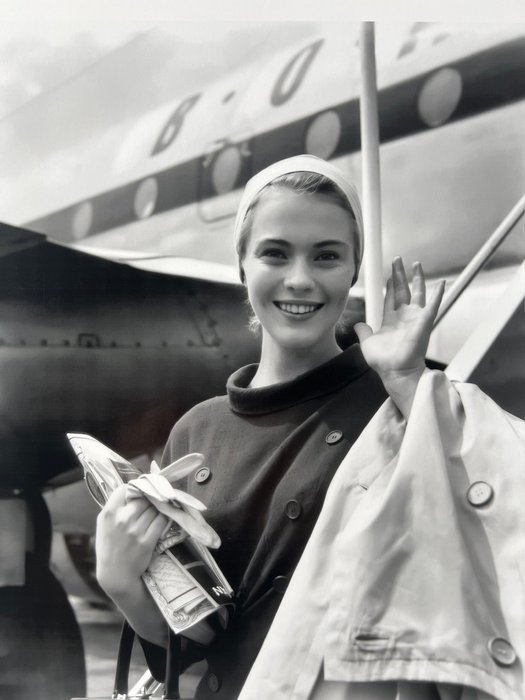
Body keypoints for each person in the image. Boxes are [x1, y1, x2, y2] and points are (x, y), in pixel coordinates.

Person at [95, 155, 445, 699]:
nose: (300, 279)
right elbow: (200, 640)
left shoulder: (402, 400)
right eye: (275, 253)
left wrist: (407, 382)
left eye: (326, 256)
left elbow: (489, 526)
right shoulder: (197, 433)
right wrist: (123, 583)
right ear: (242, 265)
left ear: (354, 270)